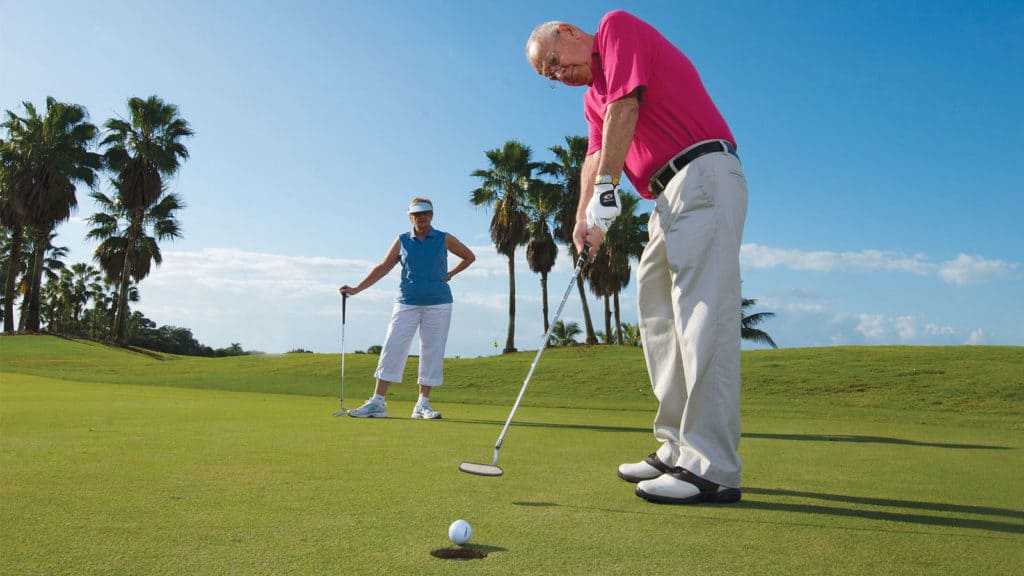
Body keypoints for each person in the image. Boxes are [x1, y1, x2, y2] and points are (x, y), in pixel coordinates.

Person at [526, 11, 748, 504]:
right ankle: (676, 447)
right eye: (550, 78)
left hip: (703, 173)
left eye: (556, 64)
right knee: (657, 317)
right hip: (665, 199)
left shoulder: (615, 28)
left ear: (567, 33)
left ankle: (711, 466)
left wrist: (606, 192)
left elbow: (626, 107)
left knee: (702, 317)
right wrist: (584, 219)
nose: (560, 78)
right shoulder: (592, 99)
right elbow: (594, 155)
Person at [339, 198, 475, 419]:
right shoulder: (402, 240)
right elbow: (383, 267)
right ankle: (378, 402)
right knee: (393, 347)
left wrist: (451, 274)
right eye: (417, 214)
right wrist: (356, 289)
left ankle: (422, 404)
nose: (421, 217)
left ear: (432, 215)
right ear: (410, 216)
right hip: (406, 302)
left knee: (431, 351)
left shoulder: (444, 238)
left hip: (439, 303)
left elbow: (470, 256)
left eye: (426, 213)